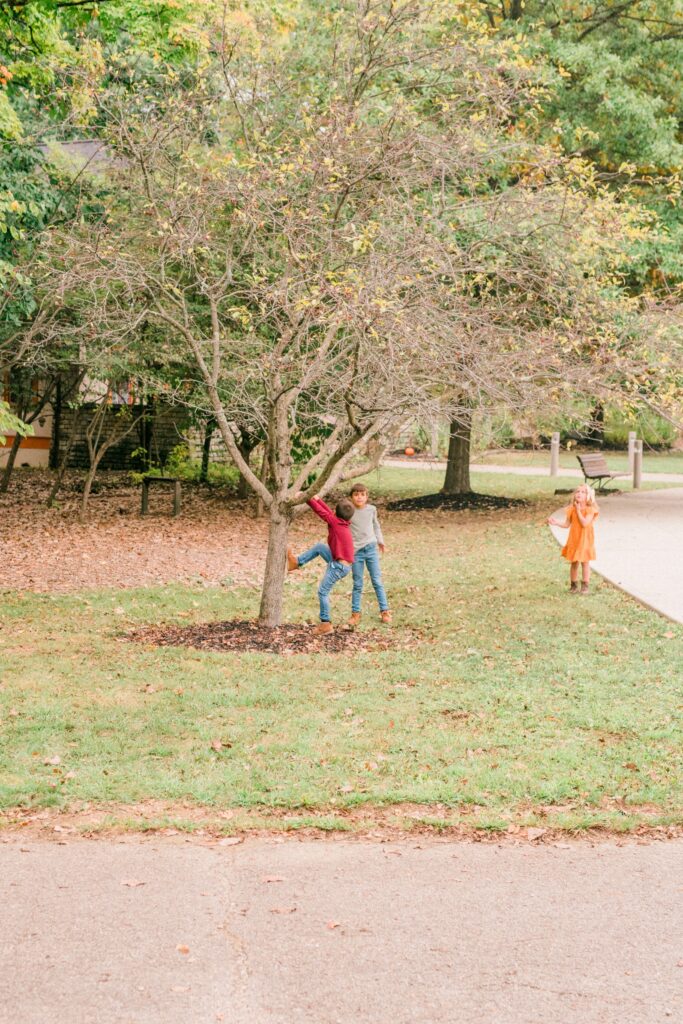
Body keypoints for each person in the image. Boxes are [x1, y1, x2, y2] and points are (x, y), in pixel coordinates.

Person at [287, 495, 355, 634]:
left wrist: (307, 498)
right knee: (319, 547)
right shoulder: (342, 522)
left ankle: (325, 624)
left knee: (323, 592)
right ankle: (297, 562)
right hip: (340, 562)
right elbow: (328, 512)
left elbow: (322, 512)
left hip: (339, 567)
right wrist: (317, 499)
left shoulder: (335, 522)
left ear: (336, 512)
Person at [347, 483, 391, 627]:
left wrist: (380, 541)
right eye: (356, 494)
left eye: (362, 494)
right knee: (357, 583)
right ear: (351, 497)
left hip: (371, 548)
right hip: (356, 552)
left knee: (377, 581)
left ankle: (385, 611)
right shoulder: (348, 511)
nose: (359, 497)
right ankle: (355, 613)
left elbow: (376, 526)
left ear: (367, 497)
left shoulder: (372, 509)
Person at [548, 484, 599, 594]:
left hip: (585, 540)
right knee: (574, 563)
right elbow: (567, 524)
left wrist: (578, 511)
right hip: (575, 539)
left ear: (588, 496)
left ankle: (585, 586)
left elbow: (584, 523)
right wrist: (556, 523)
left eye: (583, 492)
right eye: (578, 491)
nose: (579, 493)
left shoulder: (590, 510)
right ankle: (573, 586)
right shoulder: (571, 509)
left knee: (585, 563)